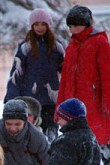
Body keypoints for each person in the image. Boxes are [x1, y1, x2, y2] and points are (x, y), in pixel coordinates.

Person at [55, 5, 110, 165]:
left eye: (76, 25)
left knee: (99, 137)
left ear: (86, 24)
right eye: (70, 26)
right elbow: (65, 81)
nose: (73, 29)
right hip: (73, 103)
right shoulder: (72, 46)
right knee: (75, 138)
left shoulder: (100, 43)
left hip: (93, 102)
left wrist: (108, 105)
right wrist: (60, 107)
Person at [4, 8, 65, 142]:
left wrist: (68, 95)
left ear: (48, 25)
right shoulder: (25, 47)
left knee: (51, 136)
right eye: (36, 24)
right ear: (31, 26)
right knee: (31, 135)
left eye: (43, 24)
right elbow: (16, 75)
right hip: (30, 101)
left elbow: (66, 73)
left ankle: (50, 161)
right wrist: (11, 98)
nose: (40, 27)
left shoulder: (57, 47)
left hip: (51, 100)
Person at [0, 99, 50, 165]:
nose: (13, 128)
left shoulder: (37, 138)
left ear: (25, 122)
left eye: (17, 124)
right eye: (8, 124)